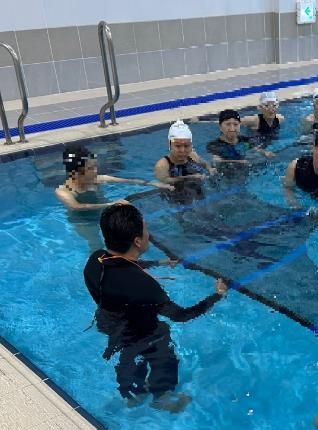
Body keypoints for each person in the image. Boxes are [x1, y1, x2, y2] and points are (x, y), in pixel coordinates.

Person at [83, 204, 228, 413]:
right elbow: (181, 316)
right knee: (164, 356)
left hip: (109, 323)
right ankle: (163, 399)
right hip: (143, 333)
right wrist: (217, 296)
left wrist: (158, 263)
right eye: (146, 230)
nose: (148, 234)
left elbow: (122, 264)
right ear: (137, 241)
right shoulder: (145, 287)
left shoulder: (95, 261)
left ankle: (133, 396)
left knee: (130, 356)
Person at [56, 146, 170, 250]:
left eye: (94, 166)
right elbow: (76, 206)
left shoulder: (97, 179)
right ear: (76, 173)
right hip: (84, 221)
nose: (95, 171)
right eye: (90, 168)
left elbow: (128, 181)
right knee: (96, 243)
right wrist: (111, 204)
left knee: (124, 240)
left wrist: (151, 183)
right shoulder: (63, 191)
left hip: (104, 214)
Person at [153, 120, 211, 185]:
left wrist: (210, 169)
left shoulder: (192, 156)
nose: (182, 150)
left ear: (191, 145)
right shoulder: (162, 166)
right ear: (169, 145)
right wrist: (190, 178)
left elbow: (205, 164)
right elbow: (164, 182)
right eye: (178, 146)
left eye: (186, 146)